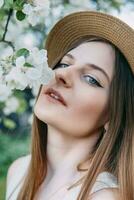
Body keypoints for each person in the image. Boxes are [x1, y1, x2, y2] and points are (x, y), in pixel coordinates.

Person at [6, 11, 134, 200]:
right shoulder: (18, 172)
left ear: (113, 116)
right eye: (64, 64)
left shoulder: (105, 197)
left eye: (91, 79)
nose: (61, 75)